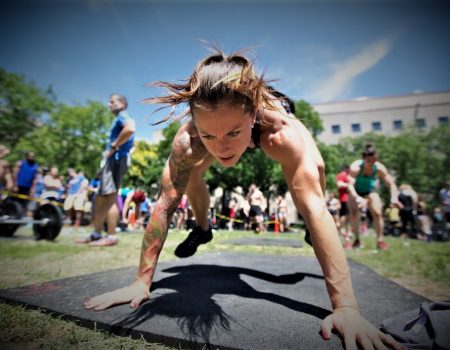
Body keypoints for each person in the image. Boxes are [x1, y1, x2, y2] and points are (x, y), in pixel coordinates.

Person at [84, 49, 403, 350]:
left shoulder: (278, 133)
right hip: (219, 131)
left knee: (313, 175)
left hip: (273, 115)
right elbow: (165, 204)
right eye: (209, 135)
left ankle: (309, 229)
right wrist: (141, 283)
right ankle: (203, 228)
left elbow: (318, 206)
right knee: (191, 171)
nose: (221, 148)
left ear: (251, 117)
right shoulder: (189, 140)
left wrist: (345, 307)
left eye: (233, 134)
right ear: (196, 124)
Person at [78, 93, 135, 246]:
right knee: (100, 198)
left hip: (116, 160)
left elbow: (130, 128)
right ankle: (96, 234)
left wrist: (114, 146)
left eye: (112, 102)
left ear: (122, 103)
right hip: (111, 161)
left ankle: (111, 236)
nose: (109, 104)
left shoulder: (123, 115)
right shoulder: (118, 119)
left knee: (110, 198)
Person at [347, 143, 402, 250]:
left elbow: (391, 183)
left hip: (369, 191)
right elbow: (349, 185)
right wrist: (357, 198)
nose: (372, 163)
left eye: (374, 161)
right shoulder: (356, 167)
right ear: (364, 159)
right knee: (354, 216)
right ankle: (357, 240)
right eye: (369, 161)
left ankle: (380, 241)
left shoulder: (379, 167)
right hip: (355, 193)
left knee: (378, 213)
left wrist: (394, 198)